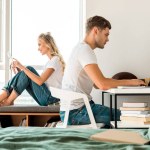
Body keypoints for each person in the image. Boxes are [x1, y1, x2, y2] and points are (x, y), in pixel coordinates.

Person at [60, 16, 145, 126]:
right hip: (76, 112)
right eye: (106, 34)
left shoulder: (80, 48)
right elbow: (102, 85)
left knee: (127, 115)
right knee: (130, 117)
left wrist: (111, 82)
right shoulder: (85, 50)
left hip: (74, 110)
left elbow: (96, 83)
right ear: (95, 30)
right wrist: (132, 82)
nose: (108, 39)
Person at [0, 32, 65, 106]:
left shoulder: (55, 60)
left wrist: (21, 66)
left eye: (39, 45)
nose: (38, 49)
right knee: (27, 72)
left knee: (29, 69)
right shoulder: (50, 62)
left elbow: (39, 81)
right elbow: (34, 80)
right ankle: (9, 100)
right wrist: (22, 72)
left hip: (51, 99)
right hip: (48, 98)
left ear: (48, 45)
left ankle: (5, 98)